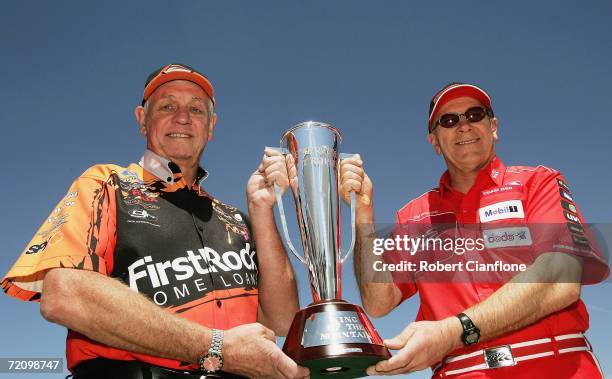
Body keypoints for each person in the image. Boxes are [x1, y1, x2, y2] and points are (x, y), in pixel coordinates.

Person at [1, 63, 309, 379]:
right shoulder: (106, 184)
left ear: (211, 126)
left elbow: (282, 319)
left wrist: (260, 210)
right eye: (167, 106)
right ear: (142, 120)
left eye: (196, 109)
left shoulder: (234, 219)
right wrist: (218, 348)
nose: (183, 117)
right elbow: (65, 293)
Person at [339, 82, 609, 378]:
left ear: (493, 127)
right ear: (435, 142)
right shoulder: (414, 217)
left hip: (553, 364)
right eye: (449, 120)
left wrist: (455, 331)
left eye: (475, 114)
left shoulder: (537, 183)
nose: (464, 126)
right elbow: (378, 303)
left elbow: (561, 277)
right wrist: (363, 212)